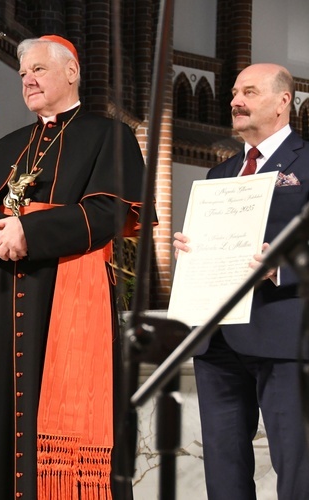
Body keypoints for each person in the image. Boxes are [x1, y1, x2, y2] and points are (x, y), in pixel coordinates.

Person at [0, 35, 148, 500]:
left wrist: (29, 231)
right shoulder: (6, 147)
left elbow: (109, 212)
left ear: (72, 72)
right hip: (4, 302)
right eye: (23, 74)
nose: (28, 80)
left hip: (68, 300)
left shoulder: (108, 136)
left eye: (38, 69)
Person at [173, 63, 309, 500]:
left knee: (297, 465)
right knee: (224, 467)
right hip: (217, 341)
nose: (235, 101)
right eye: (234, 92)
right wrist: (193, 251)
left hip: (286, 338)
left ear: (283, 101)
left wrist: (283, 264)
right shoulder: (220, 173)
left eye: (249, 92)